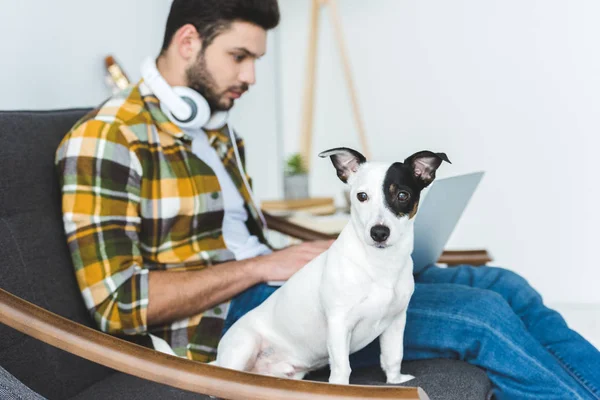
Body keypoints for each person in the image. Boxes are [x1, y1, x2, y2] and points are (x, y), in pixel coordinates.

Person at [54, 1, 600, 398]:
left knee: (507, 285)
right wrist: (267, 265)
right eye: (240, 56)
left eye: (257, 59)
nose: (250, 76)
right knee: (480, 317)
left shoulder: (215, 129)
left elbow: (247, 232)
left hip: (301, 278)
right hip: (239, 318)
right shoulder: (107, 139)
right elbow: (119, 304)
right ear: (189, 41)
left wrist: (329, 251)